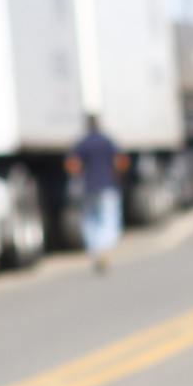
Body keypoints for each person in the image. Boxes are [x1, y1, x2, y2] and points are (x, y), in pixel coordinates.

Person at [65, 114, 124, 272]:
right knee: (109, 218)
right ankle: (105, 249)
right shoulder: (107, 141)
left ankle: (95, 251)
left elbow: (72, 165)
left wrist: (79, 174)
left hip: (88, 187)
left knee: (91, 220)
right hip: (107, 186)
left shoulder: (82, 143)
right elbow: (120, 162)